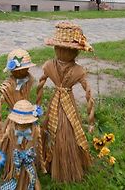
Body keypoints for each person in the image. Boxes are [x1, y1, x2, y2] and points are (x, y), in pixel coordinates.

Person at [36, 22, 95, 182]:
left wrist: (38, 108)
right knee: (71, 127)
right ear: (76, 51)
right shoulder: (78, 71)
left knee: (52, 128)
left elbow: (40, 85)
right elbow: (88, 93)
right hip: (68, 102)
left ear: (56, 48)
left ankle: (52, 161)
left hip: (56, 102)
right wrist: (91, 121)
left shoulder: (49, 66)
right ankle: (64, 161)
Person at [0, 100, 45, 190]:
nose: (22, 125)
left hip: (26, 159)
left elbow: (39, 146)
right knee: (22, 170)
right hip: (19, 159)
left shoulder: (34, 131)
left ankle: (29, 182)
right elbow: (3, 139)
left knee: (28, 170)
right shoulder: (11, 131)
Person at [0, 49, 36, 148]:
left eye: (26, 69)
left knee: (31, 135)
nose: (23, 72)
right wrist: (0, 128)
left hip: (27, 114)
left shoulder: (28, 80)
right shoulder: (8, 85)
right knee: (13, 136)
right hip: (14, 117)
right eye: (20, 70)